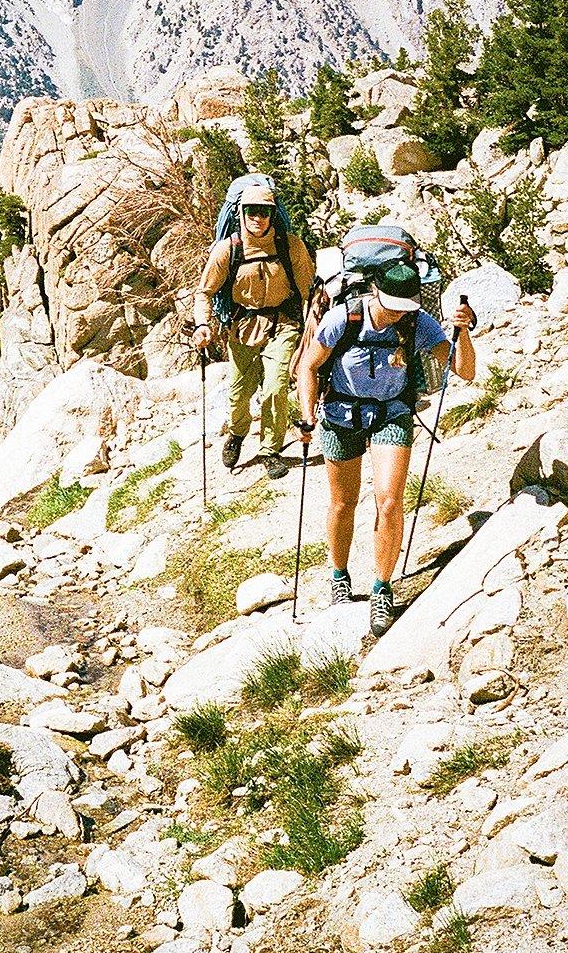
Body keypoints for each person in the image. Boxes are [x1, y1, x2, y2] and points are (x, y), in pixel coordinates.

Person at [293, 259, 476, 633]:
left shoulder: (416, 321)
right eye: (393, 306)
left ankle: (382, 588)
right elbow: (308, 368)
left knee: (389, 500)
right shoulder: (344, 318)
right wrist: (308, 415)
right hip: (340, 413)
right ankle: (340, 576)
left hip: (392, 413)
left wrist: (463, 331)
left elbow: (465, 370)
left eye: (405, 307)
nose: (398, 314)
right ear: (375, 292)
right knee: (343, 502)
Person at [191, 185, 315, 479]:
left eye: (265, 212)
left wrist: (311, 328)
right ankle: (236, 433)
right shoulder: (228, 250)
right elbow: (204, 292)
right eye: (252, 211)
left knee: (276, 385)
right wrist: (203, 325)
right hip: (242, 327)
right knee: (239, 392)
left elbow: (309, 290)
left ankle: (270, 451)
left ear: (273, 215)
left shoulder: (290, 245)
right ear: (241, 213)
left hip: (282, 323)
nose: (258, 218)